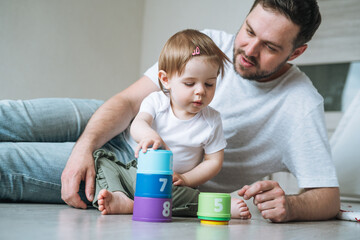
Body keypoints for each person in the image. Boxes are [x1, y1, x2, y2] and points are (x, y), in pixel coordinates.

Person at [0, 0, 340, 223]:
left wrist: (291, 206)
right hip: (118, 123)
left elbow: (327, 196)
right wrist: (83, 147)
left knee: (8, 163)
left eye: (269, 47)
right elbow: (130, 102)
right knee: (12, 116)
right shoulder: (207, 44)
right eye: (249, 31)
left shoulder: (300, 105)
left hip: (139, 175)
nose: (248, 49)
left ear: (296, 52)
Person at [94, 29, 251, 219]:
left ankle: (214, 206)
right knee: (101, 160)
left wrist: (186, 179)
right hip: (136, 172)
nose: (200, 91)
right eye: (190, 83)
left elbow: (213, 162)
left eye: (209, 84)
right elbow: (139, 123)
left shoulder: (211, 120)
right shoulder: (157, 102)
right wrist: (149, 135)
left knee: (180, 195)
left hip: (171, 183)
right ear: (166, 80)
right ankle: (119, 196)